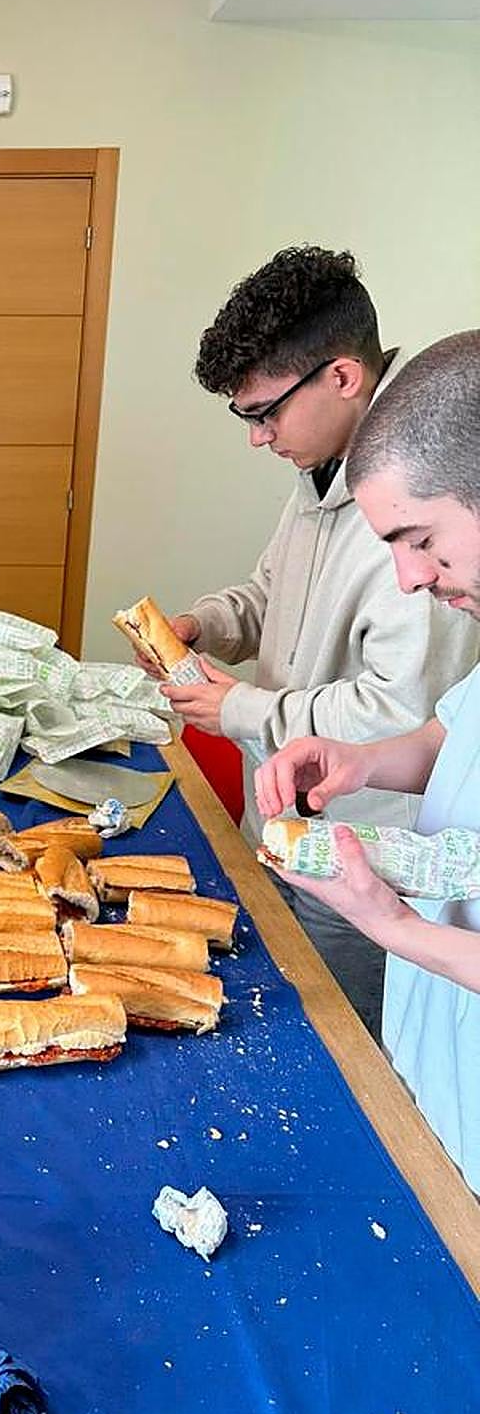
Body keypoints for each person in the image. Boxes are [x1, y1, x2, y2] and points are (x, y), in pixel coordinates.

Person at [157, 246, 477, 1037]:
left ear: (342, 377)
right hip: (293, 823)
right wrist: (207, 624)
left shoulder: (422, 496)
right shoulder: (324, 478)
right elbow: (275, 600)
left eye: (265, 413)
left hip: (365, 854)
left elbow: (402, 706)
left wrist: (244, 709)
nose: (258, 439)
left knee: (350, 1050)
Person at [256, 330, 480, 1192]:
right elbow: (447, 740)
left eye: (420, 539)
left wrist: (387, 924)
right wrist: (358, 762)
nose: (410, 577)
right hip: (430, 1069)